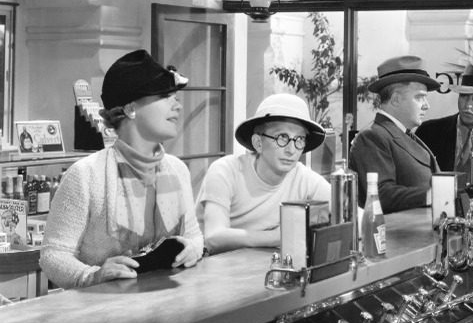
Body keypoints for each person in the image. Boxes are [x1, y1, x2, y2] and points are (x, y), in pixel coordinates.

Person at [40, 49, 203, 289]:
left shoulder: (177, 170)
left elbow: (194, 236)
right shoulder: (86, 174)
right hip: (102, 314)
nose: (178, 106)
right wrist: (93, 275)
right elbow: (53, 256)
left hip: (170, 305)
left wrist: (192, 249)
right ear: (129, 109)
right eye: (165, 96)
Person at [196, 93, 330, 254]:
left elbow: (350, 212)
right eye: (282, 137)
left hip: (264, 268)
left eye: (299, 139)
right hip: (211, 268)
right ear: (258, 143)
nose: (291, 150)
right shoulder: (226, 171)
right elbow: (214, 237)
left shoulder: (303, 177)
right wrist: (282, 236)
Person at [349, 55, 440, 214]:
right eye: (419, 97)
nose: (427, 105)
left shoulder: (405, 135)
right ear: (396, 99)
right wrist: (433, 195)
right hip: (395, 235)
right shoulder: (372, 137)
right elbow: (381, 195)